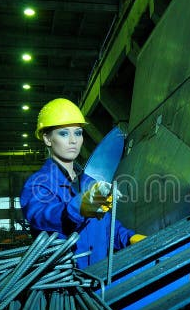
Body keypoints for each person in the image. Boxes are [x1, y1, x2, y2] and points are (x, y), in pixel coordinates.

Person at [20, 98, 146, 269]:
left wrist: (129, 238)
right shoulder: (38, 184)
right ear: (47, 139)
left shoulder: (91, 184)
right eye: (64, 133)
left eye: (78, 133)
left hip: (97, 278)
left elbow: (108, 229)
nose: (73, 140)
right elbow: (41, 216)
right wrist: (76, 209)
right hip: (62, 284)